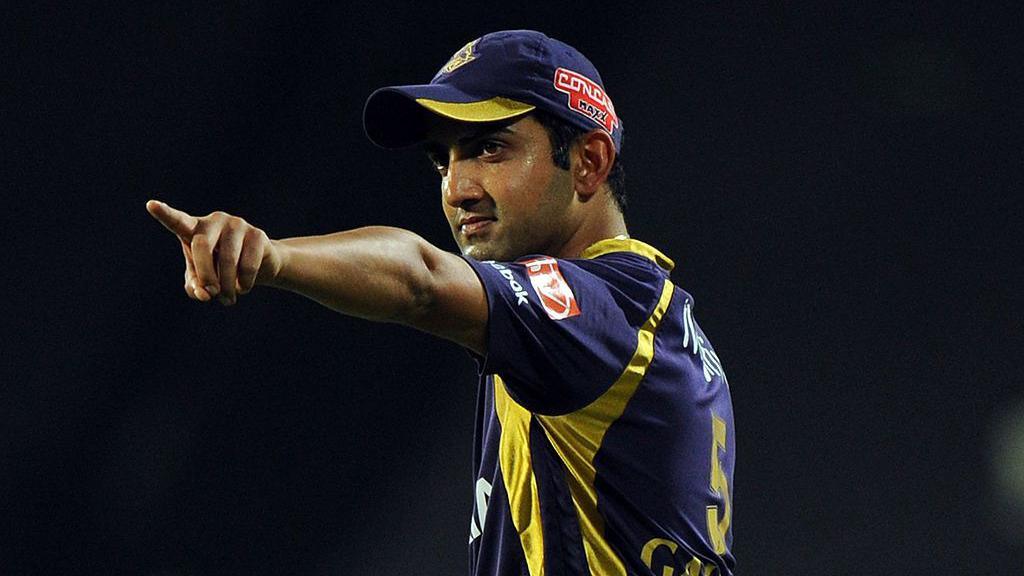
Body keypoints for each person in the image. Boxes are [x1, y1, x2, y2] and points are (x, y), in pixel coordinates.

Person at [147, 29, 735, 576]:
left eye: (489, 149)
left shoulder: (601, 311)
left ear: (588, 162)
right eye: (442, 160)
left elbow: (422, 282)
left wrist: (273, 257)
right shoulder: (638, 316)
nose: (457, 188)